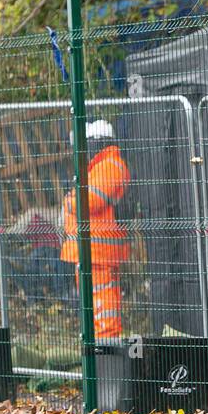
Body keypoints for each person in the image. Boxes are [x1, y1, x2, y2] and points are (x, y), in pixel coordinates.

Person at [60, 119, 131, 339]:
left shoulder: (110, 165)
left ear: (97, 143)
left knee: (103, 307)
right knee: (93, 307)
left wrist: (69, 200)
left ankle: (106, 351)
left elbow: (89, 200)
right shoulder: (100, 167)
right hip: (89, 252)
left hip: (99, 253)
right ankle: (99, 349)